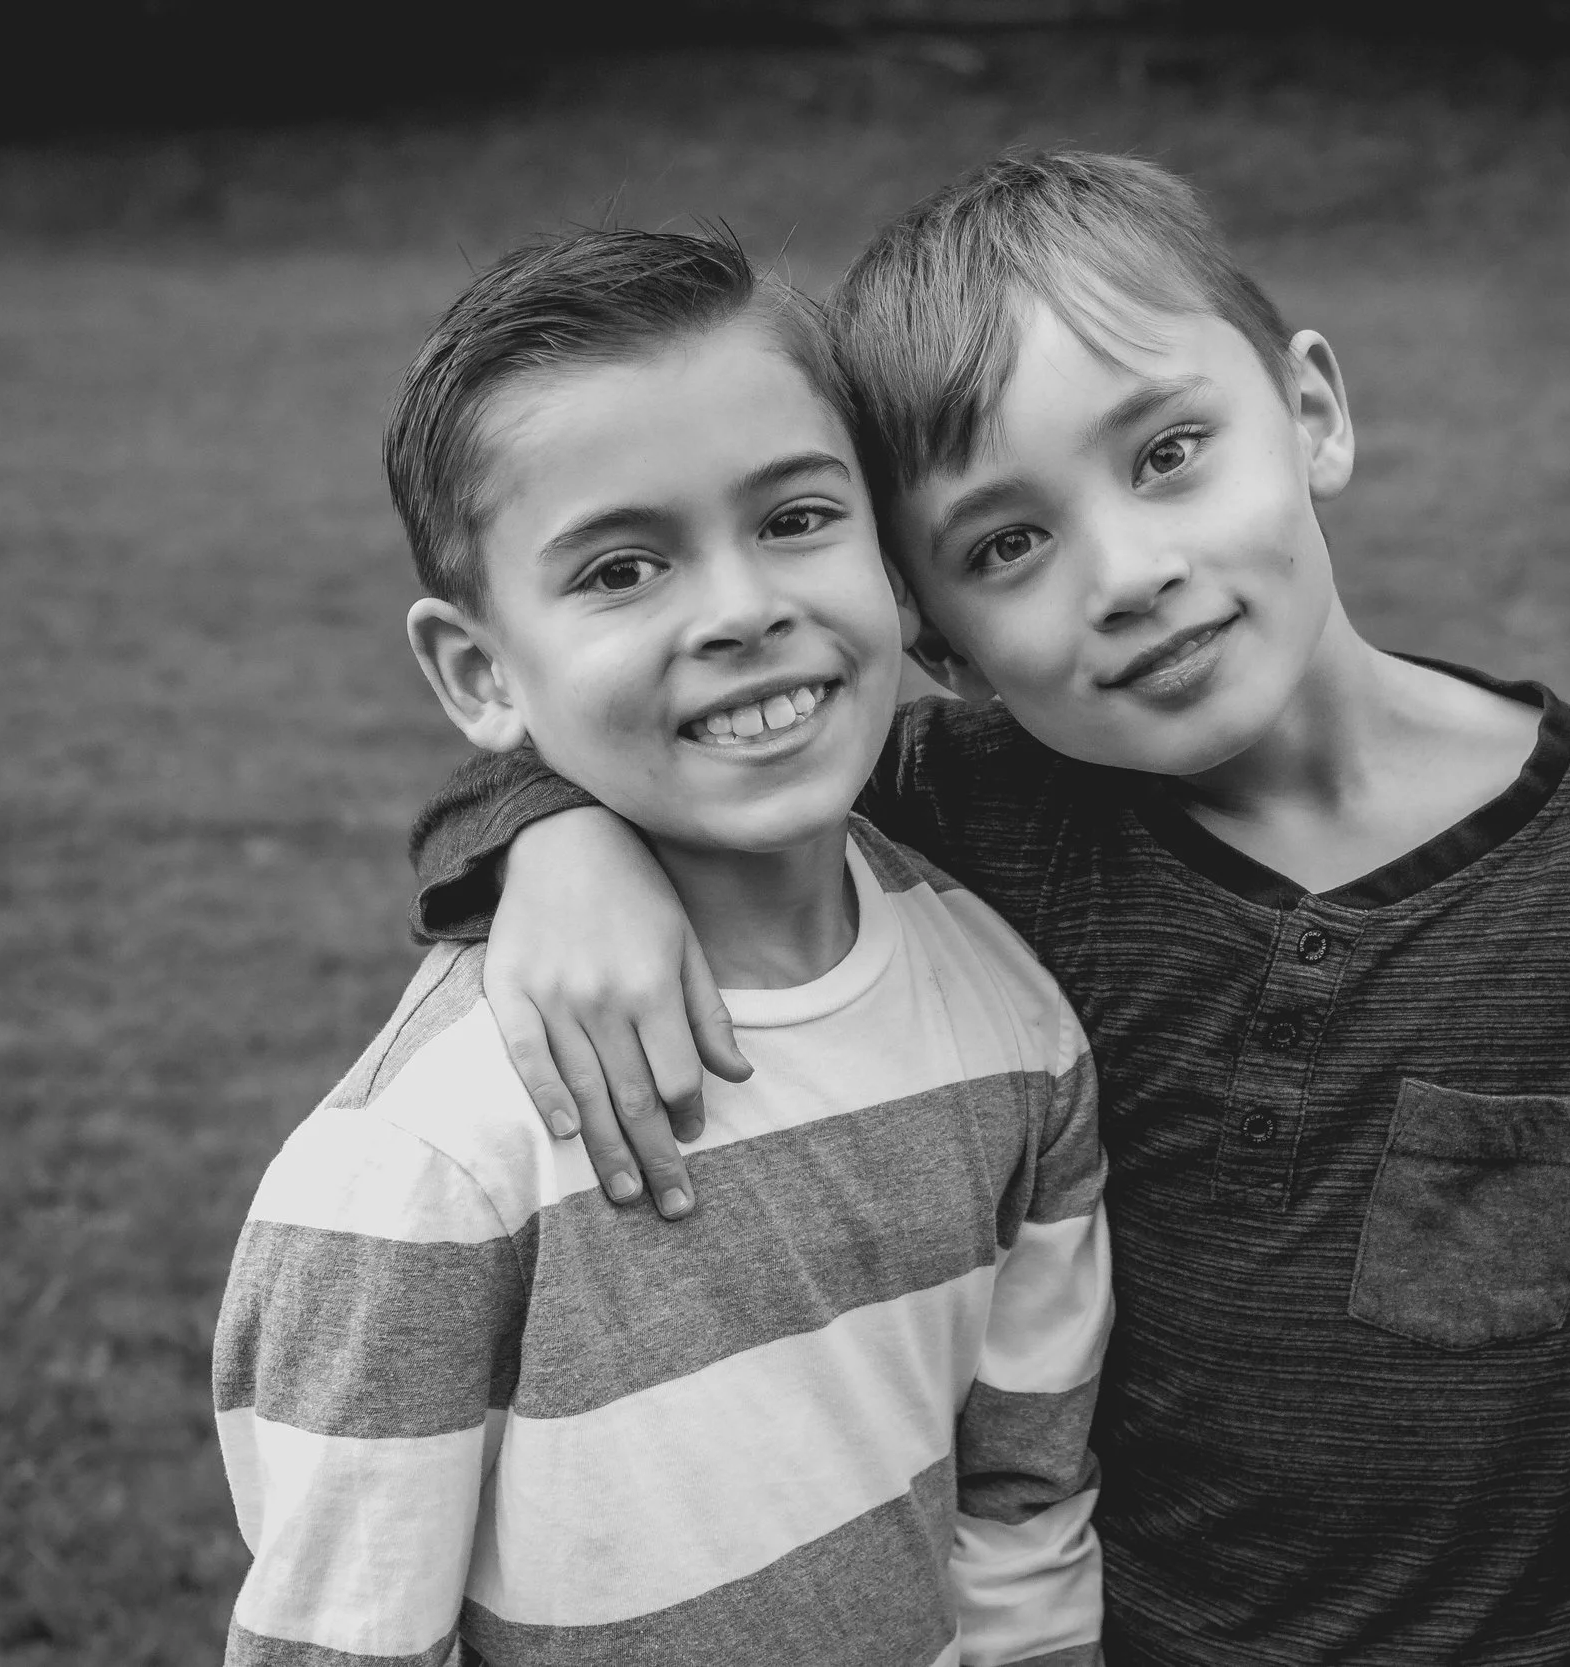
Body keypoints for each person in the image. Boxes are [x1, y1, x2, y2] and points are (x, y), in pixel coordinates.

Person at [406, 153, 1570, 1664]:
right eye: (1007, 545)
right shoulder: (966, 808)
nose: (1130, 575)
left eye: (1167, 455)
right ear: (931, 636)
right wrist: (556, 839)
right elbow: (635, 733)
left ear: (1312, 415)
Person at [212, 227, 1112, 1667]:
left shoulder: (1013, 1021)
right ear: (479, 672)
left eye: (797, 518)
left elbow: (1025, 1498)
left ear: (887, 547)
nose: (743, 607)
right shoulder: (430, 1161)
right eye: (624, 568)